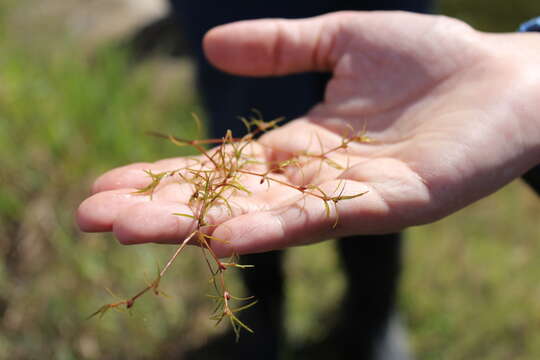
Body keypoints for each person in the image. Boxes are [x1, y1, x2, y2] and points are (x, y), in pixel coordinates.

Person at [77, 10, 540, 359]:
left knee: (358, 202)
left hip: (379, 40)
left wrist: (525, 69)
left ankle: (372, 322)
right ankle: (263, 321)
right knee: (248, 199)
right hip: (232, 26)